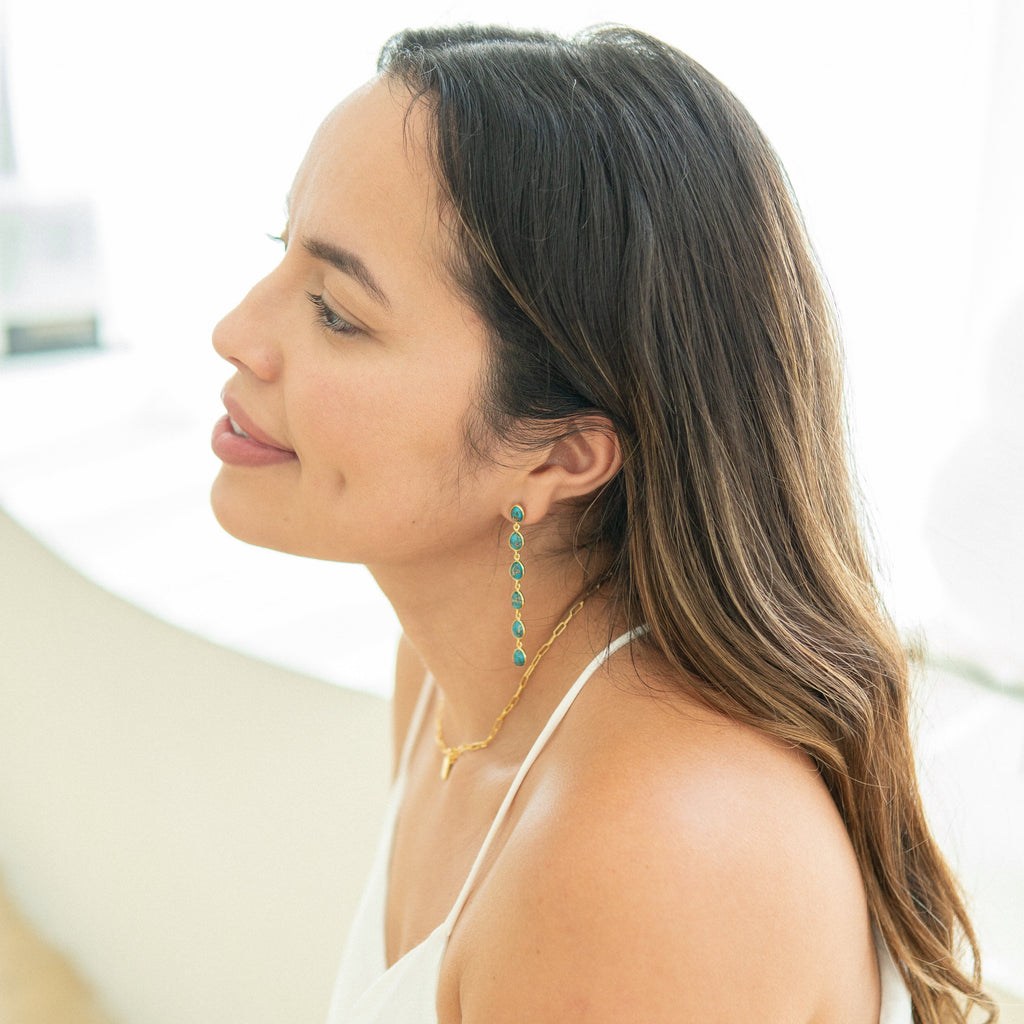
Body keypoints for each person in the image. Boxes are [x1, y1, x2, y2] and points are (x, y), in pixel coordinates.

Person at [209, 24, 994, 1024]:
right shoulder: (456, 683)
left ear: (560, 454)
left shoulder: (656, 852)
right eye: (282, 255)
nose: (235, 330)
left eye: (335, 310)